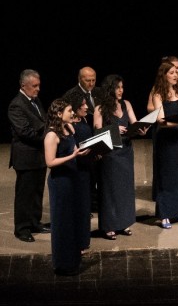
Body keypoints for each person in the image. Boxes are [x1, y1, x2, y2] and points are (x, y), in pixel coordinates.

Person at [94, 74, 148, 239]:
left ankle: (123, 223)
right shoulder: (100, 108)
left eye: (122, 87)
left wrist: (141, 130)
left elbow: (135, 122)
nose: (121, 91)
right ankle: (109, 225)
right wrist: (114, 130)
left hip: (125, 151)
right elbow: (96, 131)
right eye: (117, 87)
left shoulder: (126, 104)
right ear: (110, 88)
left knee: (124, 189)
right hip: (110, 153)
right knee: (110, 190)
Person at [43, 98, 91, 275]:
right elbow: (50, 161)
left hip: (73, 178)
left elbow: (74, 148)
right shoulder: (51, 135)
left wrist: (82, 151)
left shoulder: (69, 128)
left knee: (73, 219)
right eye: (69, 111)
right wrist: (73, 156)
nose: (72, 113)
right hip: (60, 182)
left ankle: (73, 260)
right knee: (62, 222)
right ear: (58, 114)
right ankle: (63, 264)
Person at [151, 61, 178, 229]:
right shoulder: (157, 93)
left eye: (176, 72)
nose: (175, 75)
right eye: (171, 73)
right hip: (167, 139)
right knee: (167, 175)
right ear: (164, 75)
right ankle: (165, 214)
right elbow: (160, 120)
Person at [8, 69, 50, 243]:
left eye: (39, 85)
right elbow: (25, 132)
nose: (38, 89)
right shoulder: (16, 105)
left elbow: (43, 121)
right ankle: (22, 228)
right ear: (23, 85)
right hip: (25, 157)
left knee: (37, 191)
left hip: (39, 155)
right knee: (25, 194)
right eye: (34, 86)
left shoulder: (35, 100)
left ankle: (34, 222)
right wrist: (47, 137)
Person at [64, 66, 101, 212]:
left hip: (93, 136)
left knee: (93, 174)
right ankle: (84, 203)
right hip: (79, 137)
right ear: (80, 79)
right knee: (82, 175)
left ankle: (92, 201)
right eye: (88, 80)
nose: (91, 83)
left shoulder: (98, 92)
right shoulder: (71, 95)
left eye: (93, 80)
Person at [63, 91, 94, 251]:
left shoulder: (84, 119)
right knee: (77, 205)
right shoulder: (69, 125)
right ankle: (76, 241)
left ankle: (84, 240)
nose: (87, 107)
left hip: (86, 167)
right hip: (76, 168)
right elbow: (70, 147)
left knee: (85, 206)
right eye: (83, 105)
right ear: (75, 108)